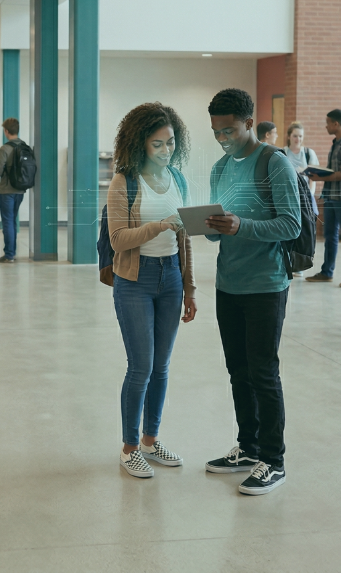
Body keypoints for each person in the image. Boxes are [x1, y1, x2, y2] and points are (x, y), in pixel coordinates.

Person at [204, 88, 300, 495]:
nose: (223, 138)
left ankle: (273, 460)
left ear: (248, 122)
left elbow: (291, 225)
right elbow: (217, 233)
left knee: (263, 373)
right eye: (215, 132)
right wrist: (209, 227)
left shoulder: (273, 163)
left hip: (265, 285)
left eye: (229, 130)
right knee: (237, 371)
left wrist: (242, 226)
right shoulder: (219, 169)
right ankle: (248, 447)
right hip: (228, 284)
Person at [107, 103, 197, 479]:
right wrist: (160, 225)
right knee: (141, 366)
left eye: (171, 143)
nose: (165, 151)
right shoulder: (123, 182)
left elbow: (186, 237)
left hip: (171, 279)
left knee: (161, 367)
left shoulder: (178, 178)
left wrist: (189, 287)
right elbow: (118, 239)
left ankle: (150, 440)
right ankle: (129, 449)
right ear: (140, 144)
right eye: (157, 144)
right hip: (135, 280)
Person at [306, 109, 341, 287]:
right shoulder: (336, 143)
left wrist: (319, 177)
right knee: (329, 235)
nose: (326, 126)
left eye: (328, 122)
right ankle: (327, 272)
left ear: (336, 124)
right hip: (330, 196)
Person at [0, 117, 27, 263]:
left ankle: (9, 255)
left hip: (6, 190)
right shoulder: (25, 147)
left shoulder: (4, 148)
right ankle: (11, 252)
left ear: (6, 131)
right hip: (20, 190)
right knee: (13, 220)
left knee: (7, 221)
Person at [283, 121, 320, 196]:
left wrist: (310, 194)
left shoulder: (309, 153)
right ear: (289, 136)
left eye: (300, 136)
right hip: (287, 193)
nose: (298, 139)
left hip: (305, 193)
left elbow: (313, 177)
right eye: (295, 136)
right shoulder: (283, 152)